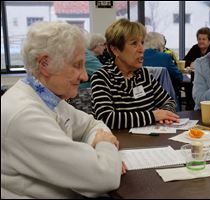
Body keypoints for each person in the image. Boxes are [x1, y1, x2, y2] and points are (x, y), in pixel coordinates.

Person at [1, 21, 125, 198]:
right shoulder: (25, 116)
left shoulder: (48, 99)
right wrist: (104, 146)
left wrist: (99, 148)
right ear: (45, 64)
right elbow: (105, 177)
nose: (85, 76)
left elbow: (92, 124)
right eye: (77, 65)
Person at [91, 19, 179, 130]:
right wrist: (153, 116)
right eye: (134, 44)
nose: (142, 49)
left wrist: (165, 115)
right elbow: (106, 118)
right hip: (118, 143)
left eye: (142, 43)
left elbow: (169, 101)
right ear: (115, 50)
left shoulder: (143, 74)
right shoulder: (102, 77)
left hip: (150, 141)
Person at [143, 32, 183, 96]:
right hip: (164, 96)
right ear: (160, 44)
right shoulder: (165, 57)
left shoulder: (138, 57)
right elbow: (179, 77)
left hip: (143, 94)